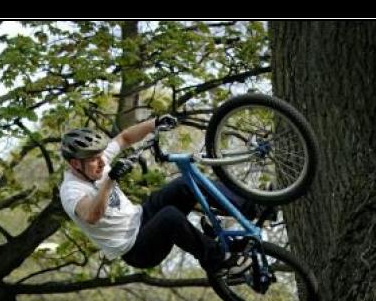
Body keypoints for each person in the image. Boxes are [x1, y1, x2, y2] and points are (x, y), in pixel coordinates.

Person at [59, 116, 258, 275]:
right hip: (136, 249)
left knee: (183, 184)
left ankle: (251, 207)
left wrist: (154, 123)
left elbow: (124, 138)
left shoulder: (96, 162)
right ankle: (220, 261)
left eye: (101, 156)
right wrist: (110, 179)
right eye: (94, 160)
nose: (102, 163)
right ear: (76, 164)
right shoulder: (71, 191)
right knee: (170, 217)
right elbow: (92, 215)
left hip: (141, 216)